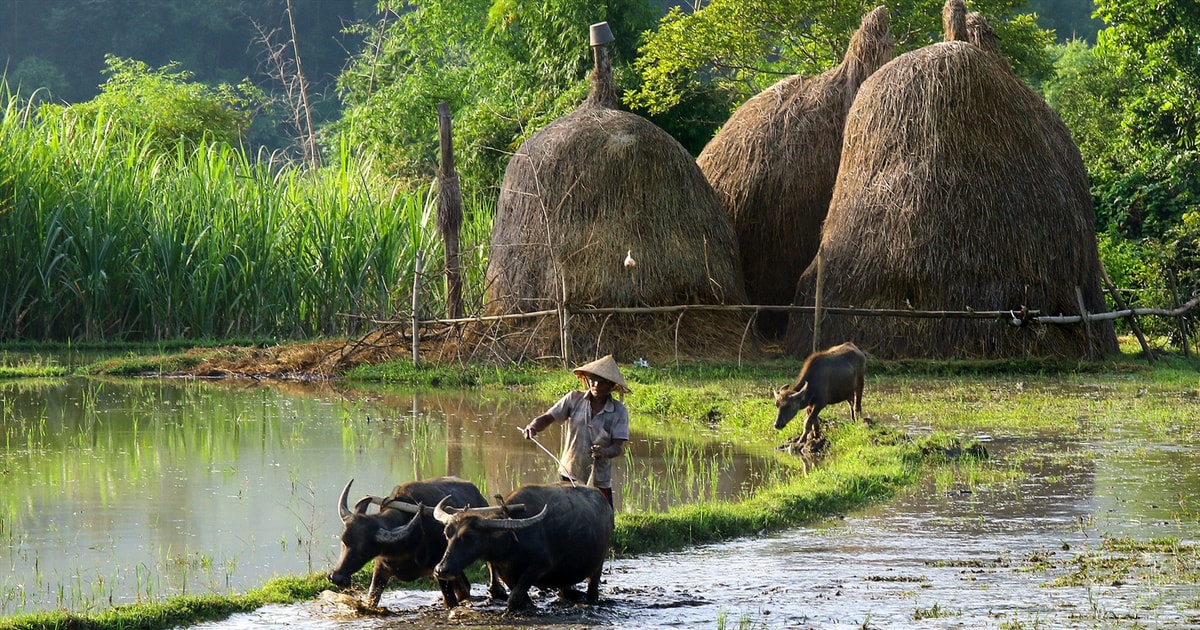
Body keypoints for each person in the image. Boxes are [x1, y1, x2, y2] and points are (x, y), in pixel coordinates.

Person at [521, 355, 630, 508]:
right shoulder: (574, 399)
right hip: (570, 471)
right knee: (566, 515)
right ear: (587, 379)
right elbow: (547, 417)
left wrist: (604, 452)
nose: (596, 385)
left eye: (602, 382)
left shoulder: (619, 411)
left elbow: (617, 447)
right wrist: (532, 426)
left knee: (602, 519)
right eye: (593, 379)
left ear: (611, 385)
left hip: (599, 477)